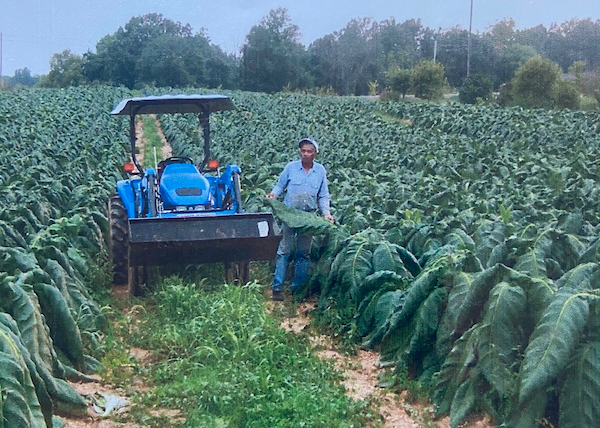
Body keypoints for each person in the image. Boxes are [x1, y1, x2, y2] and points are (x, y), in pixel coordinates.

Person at [267, 138, 334, 301]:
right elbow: (280, 186)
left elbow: (323, 195)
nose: (305, 154)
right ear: (299, 152)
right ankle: (277, 288)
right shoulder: (291, 168)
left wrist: (326, 213)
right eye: (303, 150)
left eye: (309, 151)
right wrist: (273, 195)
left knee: (303, 253)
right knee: (284, 250)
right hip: (289, 215)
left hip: (307, 218)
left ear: (315, 153)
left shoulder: (320, 171)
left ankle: (298, 289)